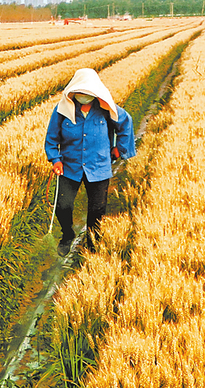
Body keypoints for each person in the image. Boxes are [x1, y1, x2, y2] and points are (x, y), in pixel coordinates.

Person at [44, 68, 137, 255]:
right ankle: (67, 236)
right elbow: (52, 137)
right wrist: (55, 159)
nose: (84, 96)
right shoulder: (63, 109)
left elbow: (126, 123)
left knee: (97, 209)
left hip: (99, 165)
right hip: (70, 166)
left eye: (88, 93)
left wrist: (120, 148)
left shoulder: (106, 109)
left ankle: (93, 242)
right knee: (64, 206)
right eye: (80, 92)